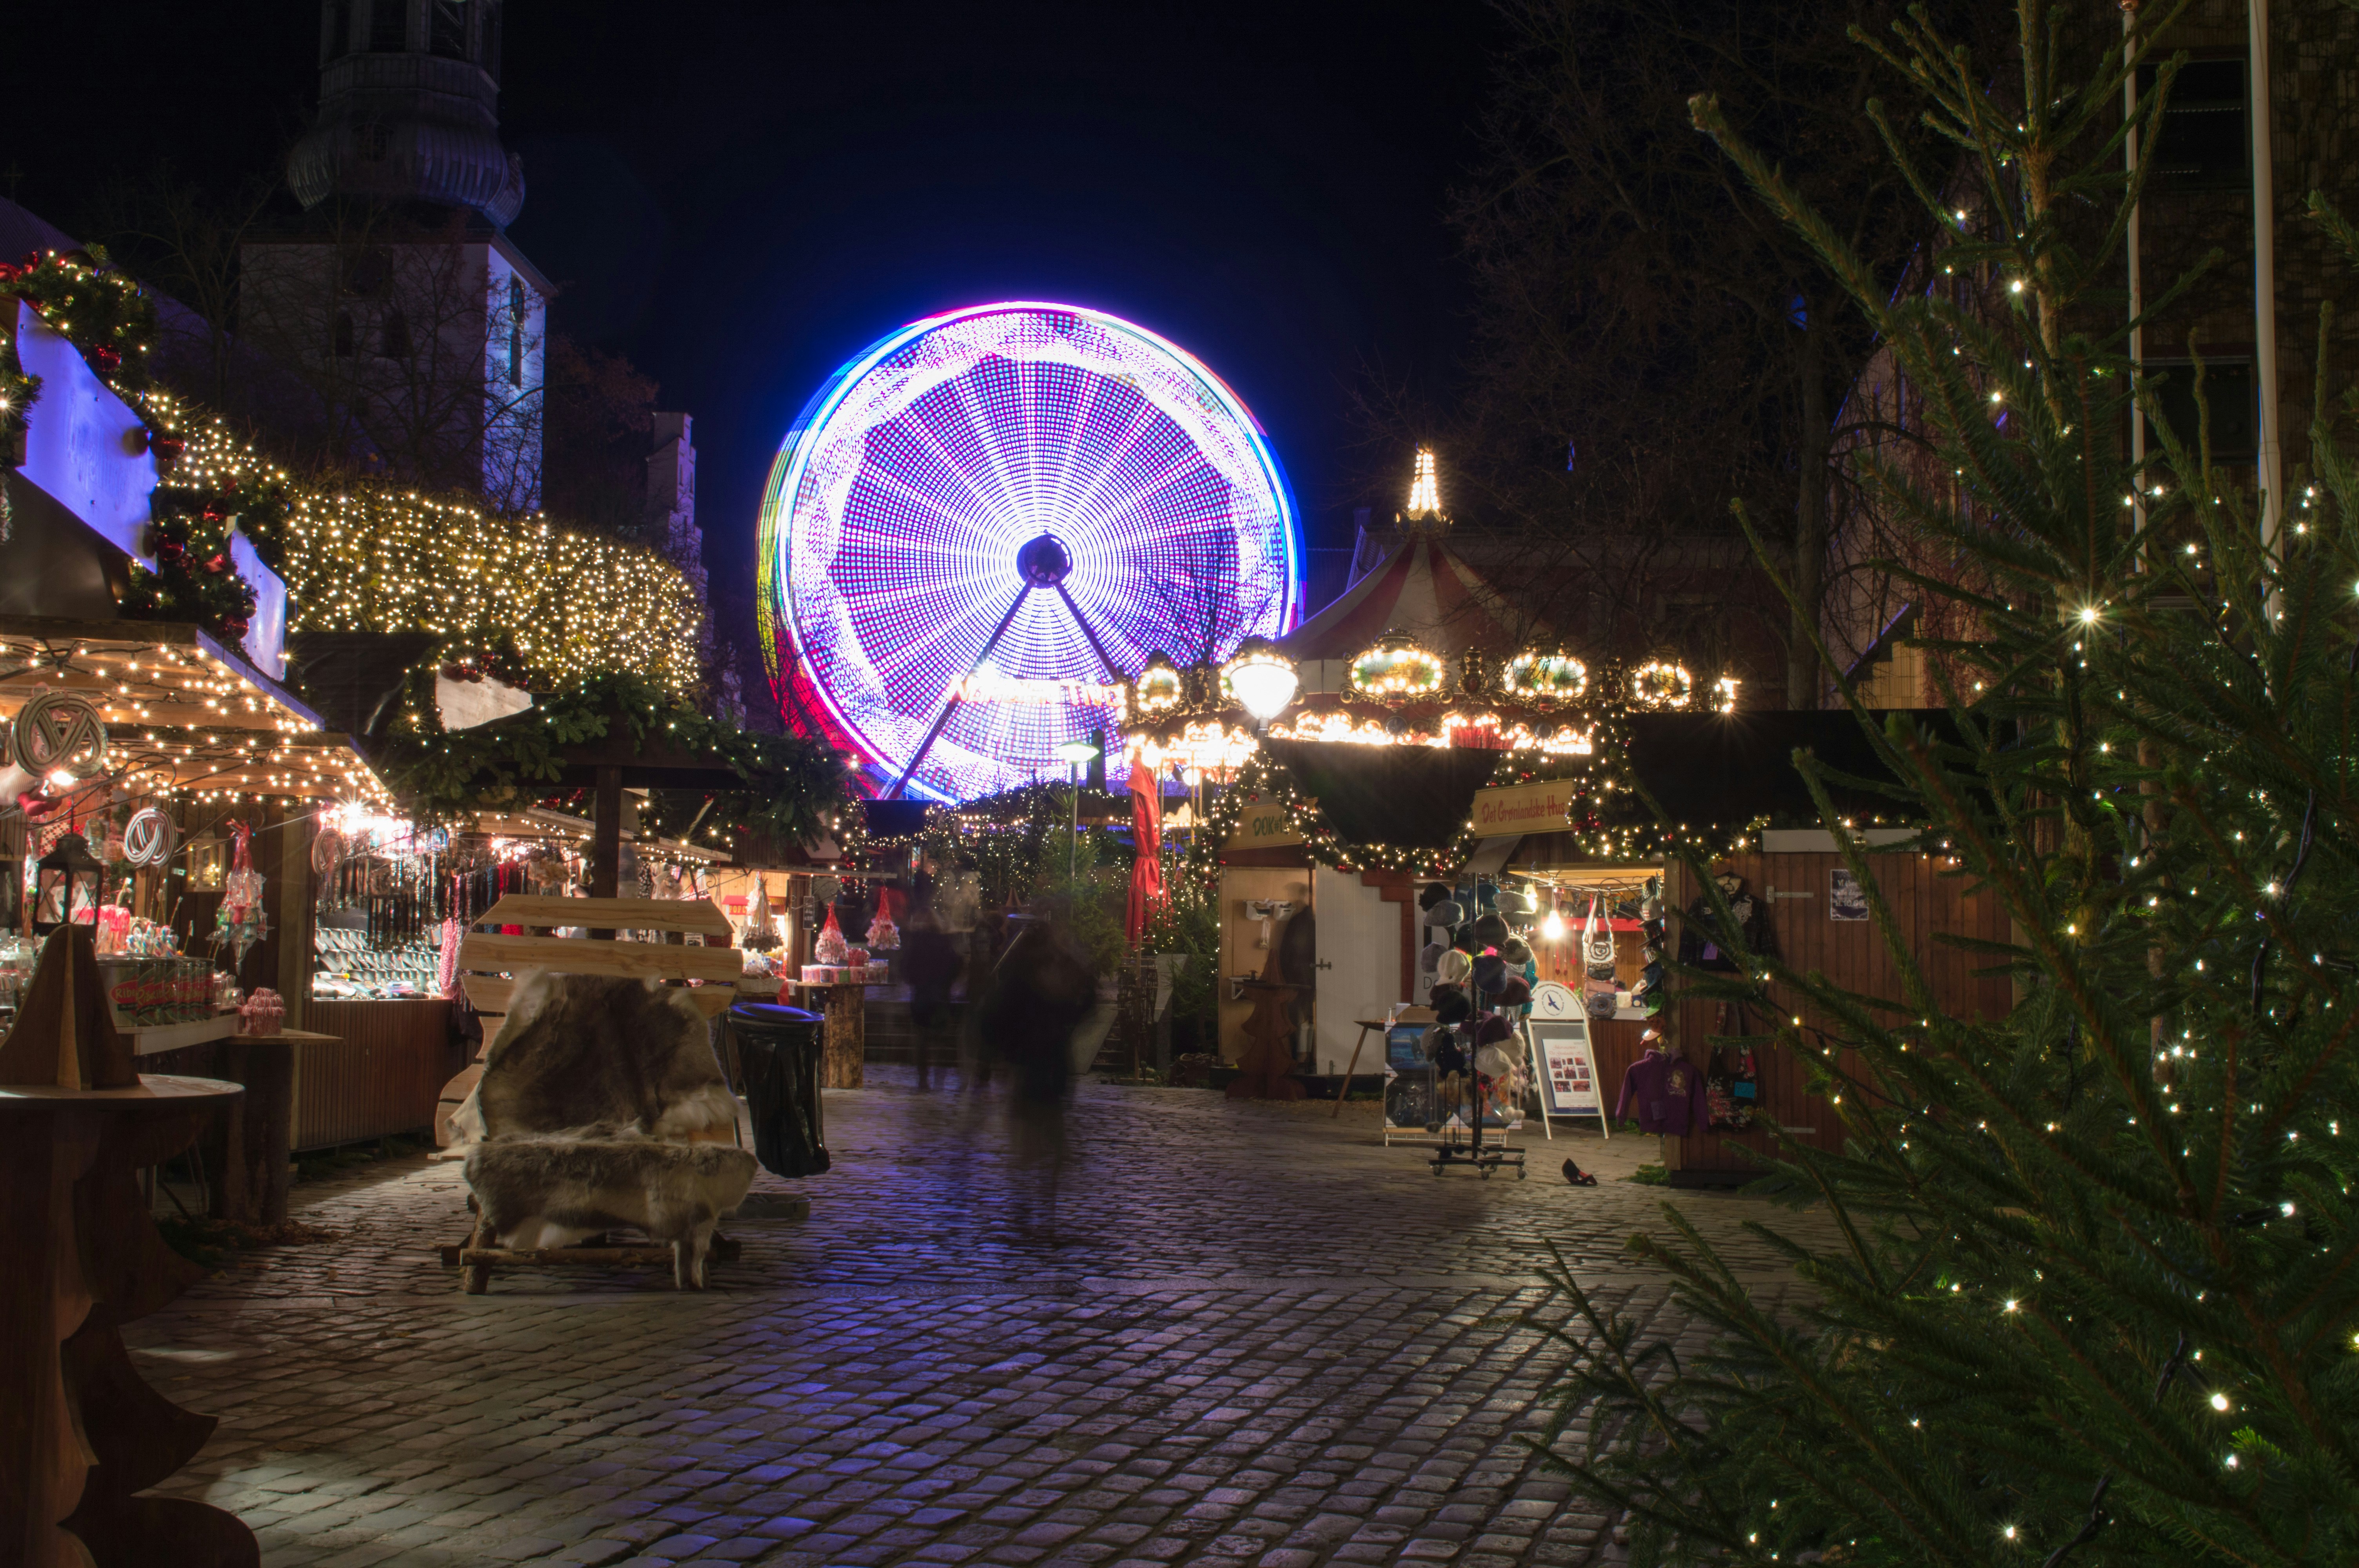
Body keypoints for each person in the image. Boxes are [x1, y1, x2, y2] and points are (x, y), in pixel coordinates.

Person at [976, 899, 1094, 1238]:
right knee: (1046, 1143)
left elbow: (993, 1019)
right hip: (1044, 1066)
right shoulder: (1039, 979)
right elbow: (1084, 1001)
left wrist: (993, 1059)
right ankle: (1039, 1206)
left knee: (1035, 1143)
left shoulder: (1024, 979)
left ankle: (1031, 1204)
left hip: (1036, 1066)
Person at [902, 905, 962, 1090]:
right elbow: (955, 966)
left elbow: (907, 968)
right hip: (941, 996)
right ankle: (940, 1078)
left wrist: (916, 981)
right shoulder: (945, 944)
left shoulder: (917, 944)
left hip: (922, 996)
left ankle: (923, 1077)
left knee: (923, 1040)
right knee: (941, 1040)